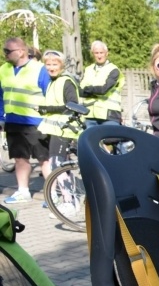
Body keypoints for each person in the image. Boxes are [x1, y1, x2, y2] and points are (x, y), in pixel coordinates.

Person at [0, 37, 51, 204]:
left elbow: (49, 94)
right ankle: (23, 191)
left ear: (21, 51)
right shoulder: (4, 69)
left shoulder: (40, 69)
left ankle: (54, 195)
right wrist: (1, 117)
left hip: (36, 122)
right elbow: (1, 95)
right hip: (14, 121)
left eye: (8, 51)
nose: (5, 54)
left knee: (44, 159)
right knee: (19, 158)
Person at [37, 50, 81, 218]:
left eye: (54, 64)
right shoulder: (52, 82)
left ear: (61, 66)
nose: (51, 67)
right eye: (48, 64)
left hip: (65, 129)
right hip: (54, 129)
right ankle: (68, 200)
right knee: (58, 165)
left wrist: (48, 109)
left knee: (58, 165)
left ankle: (70, 203)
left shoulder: (66, 81)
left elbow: (72, 105)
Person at [80, 40, 125, 127]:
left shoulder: (114, 70)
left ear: (106, 53)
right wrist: (94, 90)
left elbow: (104, 90)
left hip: (109, 115)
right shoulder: (88, 69)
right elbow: (80, 91)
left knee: (110, 140)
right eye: (96, 53)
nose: (99, 56)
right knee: (90, 140)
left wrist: (89, 89)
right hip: (90, 114)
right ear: (93, 54)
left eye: (101, 53)